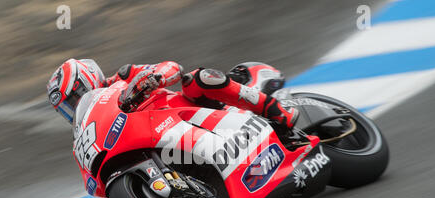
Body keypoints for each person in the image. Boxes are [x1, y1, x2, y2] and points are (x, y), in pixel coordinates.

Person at [47, 59, 298, 128]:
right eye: (68, 108)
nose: (75, 106)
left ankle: (278, 112)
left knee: (197, 78)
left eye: (75, 98)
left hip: (189, 110)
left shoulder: (123, 77)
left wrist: (152, 79)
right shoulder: (94, 125)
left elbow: (173, 68)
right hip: (161, 134)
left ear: (87, 80)